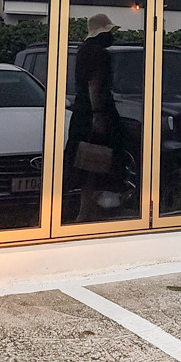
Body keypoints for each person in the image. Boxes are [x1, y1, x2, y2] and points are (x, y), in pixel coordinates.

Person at [63, 13, 127, 223]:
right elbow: (95, 84)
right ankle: (92, 211)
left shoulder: (83, 51)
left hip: (82, 112)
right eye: (108, 32)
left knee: (86, 163)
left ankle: (86, 211)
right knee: (100, 161)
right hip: (96, 112)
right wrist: (98, 114)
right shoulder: (100, 54)